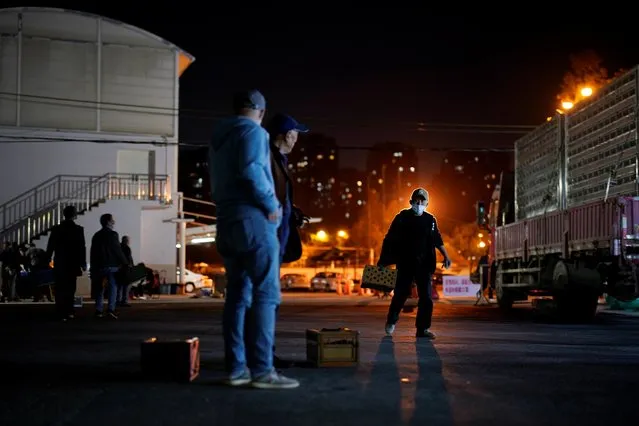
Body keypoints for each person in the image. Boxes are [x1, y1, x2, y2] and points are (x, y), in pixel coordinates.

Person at [209, 89, 299, 389]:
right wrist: (272, 205)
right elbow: (252, 170)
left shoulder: (219, 138)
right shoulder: (254, 133)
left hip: (226, 221)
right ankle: (262, 370)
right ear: (261, 110)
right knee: (266, 293)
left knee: (237, 296)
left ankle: (237, 369)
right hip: (253, 221)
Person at [251, 113, 309, 369]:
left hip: (277, 241)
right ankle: (263, 357)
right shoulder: (268, 159)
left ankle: (264, 353)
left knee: (267, 300)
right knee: (265, 300)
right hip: (267, 240)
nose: (297, 140)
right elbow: (263, 196)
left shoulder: (279, 160)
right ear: (287, 135)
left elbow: (278, 199)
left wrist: (293, 212)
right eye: (296, 134)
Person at [377, 188, 452, 339]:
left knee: (426, 298)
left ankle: (422, 329)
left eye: (422, 201)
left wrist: (446, 256)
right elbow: (389, 238)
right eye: (416, 201)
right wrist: (384, 261)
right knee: (400, 294)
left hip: (424, 265)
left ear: (427, 203)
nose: (419, 203)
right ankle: (392, 320)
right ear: (411, 202)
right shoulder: (402, 217)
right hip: (405, 263)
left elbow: (437, 239)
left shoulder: (430, 220)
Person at [45, 205, 86, 320]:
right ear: (74, 215)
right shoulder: (78, 229)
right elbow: (81, 247)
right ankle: (69, 311)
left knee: (59, 288)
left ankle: (60, 310)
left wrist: (48, 258)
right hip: (73, 263)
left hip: (60, 262)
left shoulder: (57, 229)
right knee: (70, 288)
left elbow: (51, 245)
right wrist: (82, 262)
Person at [90, 213, 128, 319]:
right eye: (112, 220)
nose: (114, 222)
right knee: (113, 287)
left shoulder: (96, 235)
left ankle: (99, 310)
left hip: (99, 266)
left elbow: (93, 252)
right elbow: (117, 249)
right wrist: (125, 262)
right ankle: (111, 309)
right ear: (108, 222)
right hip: (112, 266)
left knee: (99, 288)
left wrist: (93, 267)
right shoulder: (113, 234)